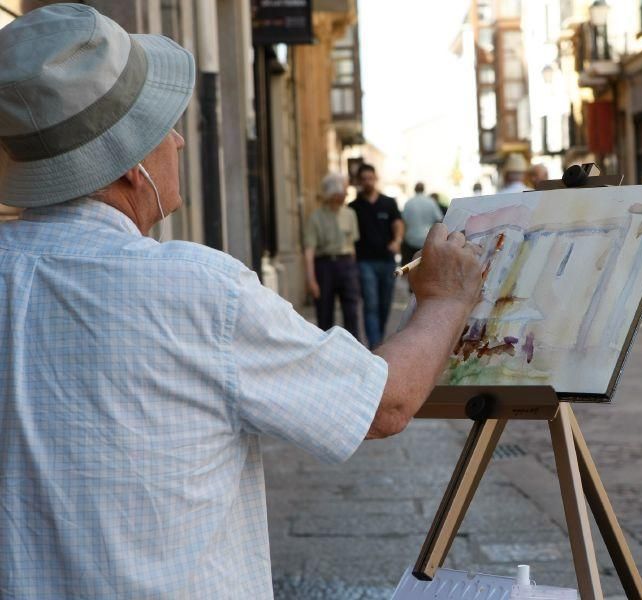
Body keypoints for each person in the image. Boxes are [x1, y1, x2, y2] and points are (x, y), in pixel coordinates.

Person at [0, 6, 483, 598]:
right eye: (162, 127)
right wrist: (444, 299)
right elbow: (384, 406)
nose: (178, 140)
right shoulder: (193, 290)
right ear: (129, 164)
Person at [349, 163, 404, 348]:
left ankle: (379, 338)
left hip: (387, 261)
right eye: (363, 179)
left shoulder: (388, 203)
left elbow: (398, 223)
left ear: (375, 178)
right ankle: (375, 344)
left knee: (385, 303)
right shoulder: (353, 207)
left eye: (370, 178)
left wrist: (397, 240)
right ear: (358, 181)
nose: (367, 182)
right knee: (370, 304)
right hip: (365, 262)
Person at [304, 173, 361, 339]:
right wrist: (311, 280)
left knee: (352, 312)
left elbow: (352, 247)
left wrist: (354, 272)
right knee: (324, 312)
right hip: (324, 266)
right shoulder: (315, 218)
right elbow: (309, 251)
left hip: (347, 264)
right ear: (331, 194)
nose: (345, 194)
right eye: (342, 191)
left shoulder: (350, 214)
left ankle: (354, 351)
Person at [402, 181, 443, 266]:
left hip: (411, 239)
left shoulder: (409, 203)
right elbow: (440, 220)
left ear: (414, 189)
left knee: (411, 267)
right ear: (424, 189)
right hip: (427, 238)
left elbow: (403, 221)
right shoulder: (431, 202)